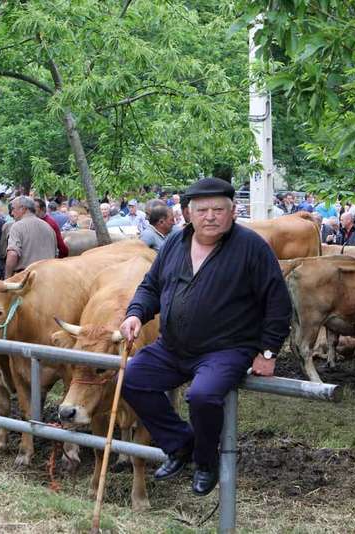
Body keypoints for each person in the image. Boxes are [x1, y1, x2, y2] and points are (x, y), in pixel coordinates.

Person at [119, 177, 292, 496]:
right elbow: (151, 287)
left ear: (232, 212)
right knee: (132, 377)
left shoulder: (251, 247)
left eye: (218, 209)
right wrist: (135, 314)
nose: (210, 216)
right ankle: (181, 445)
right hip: (172, 346)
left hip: (225, 349)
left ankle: (206, 462)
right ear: (187, 213)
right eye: (202, 210)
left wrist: (268, 351)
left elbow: (278, 302)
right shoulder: (173, 242)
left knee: (202, 395)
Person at [5, 196, 57, 277]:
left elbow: (12, 254)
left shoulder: (17, 227)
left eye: (13, 209)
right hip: (48, 277)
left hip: (26, 279)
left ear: (23, 208)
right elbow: (56, 254)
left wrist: (7, 277)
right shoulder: (48, 227)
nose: (12, 213)